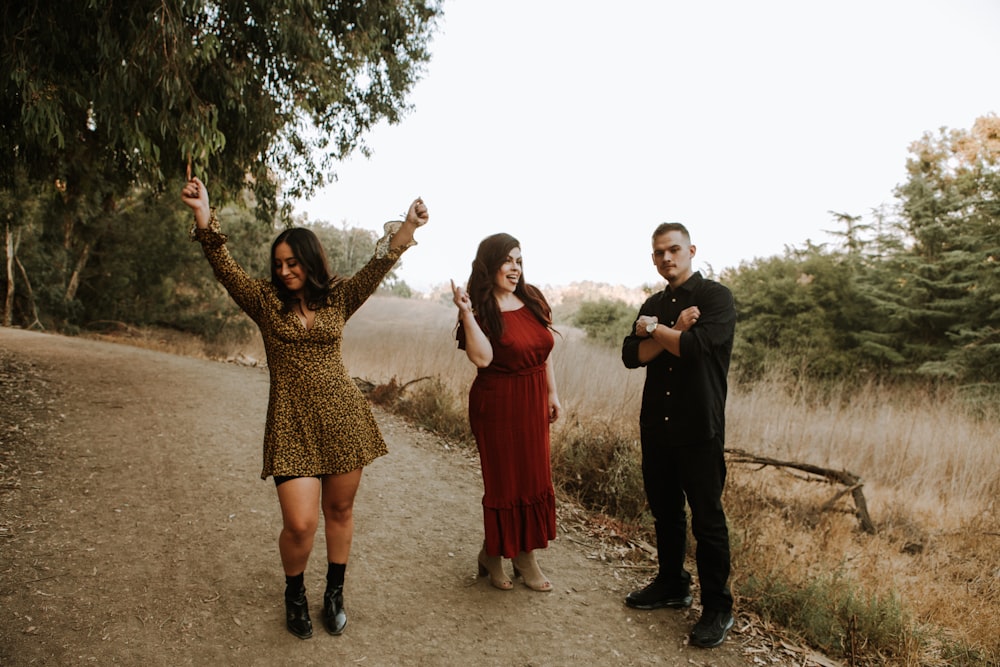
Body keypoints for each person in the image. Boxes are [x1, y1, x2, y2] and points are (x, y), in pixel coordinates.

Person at [180, 175, 428, 640]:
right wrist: (202, 212)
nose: (285, 271)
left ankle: (334, 593)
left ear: (310, 261)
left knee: (340, 511)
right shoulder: (263, 301)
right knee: (299, 523)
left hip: (343, 419)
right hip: (291, 423)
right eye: (279, 264)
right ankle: (294, 594)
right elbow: (223, 264)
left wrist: (409, 225)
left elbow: (379, 264)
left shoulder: (338, 298)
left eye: (293, 262)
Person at [620, 222, 736, 649]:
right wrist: (668, 330)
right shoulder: (653, 302)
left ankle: (718, 608)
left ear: (691, 250)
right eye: (659, 253)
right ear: (653, 259)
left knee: (708, 522)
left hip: (698, 428)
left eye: (674, 250)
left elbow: (694, 349)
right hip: (657, 425)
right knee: (666, 513)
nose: (666, 258)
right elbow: (630, 356)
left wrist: (654, 330)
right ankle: (672, 583)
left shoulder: (715, 298)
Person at [451, 233, 561, 592]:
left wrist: (552, 393)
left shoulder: (531, 299)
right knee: (505, 482)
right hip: (497, 403)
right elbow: (482, 358)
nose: (515, 268)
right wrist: (466, 313)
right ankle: (501, 557)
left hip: (532, 400)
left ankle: (507, 553)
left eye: (519, 261)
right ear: (490, 263)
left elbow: (544, 352)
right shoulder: (481, 309)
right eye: (508, 261)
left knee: (532, 477)